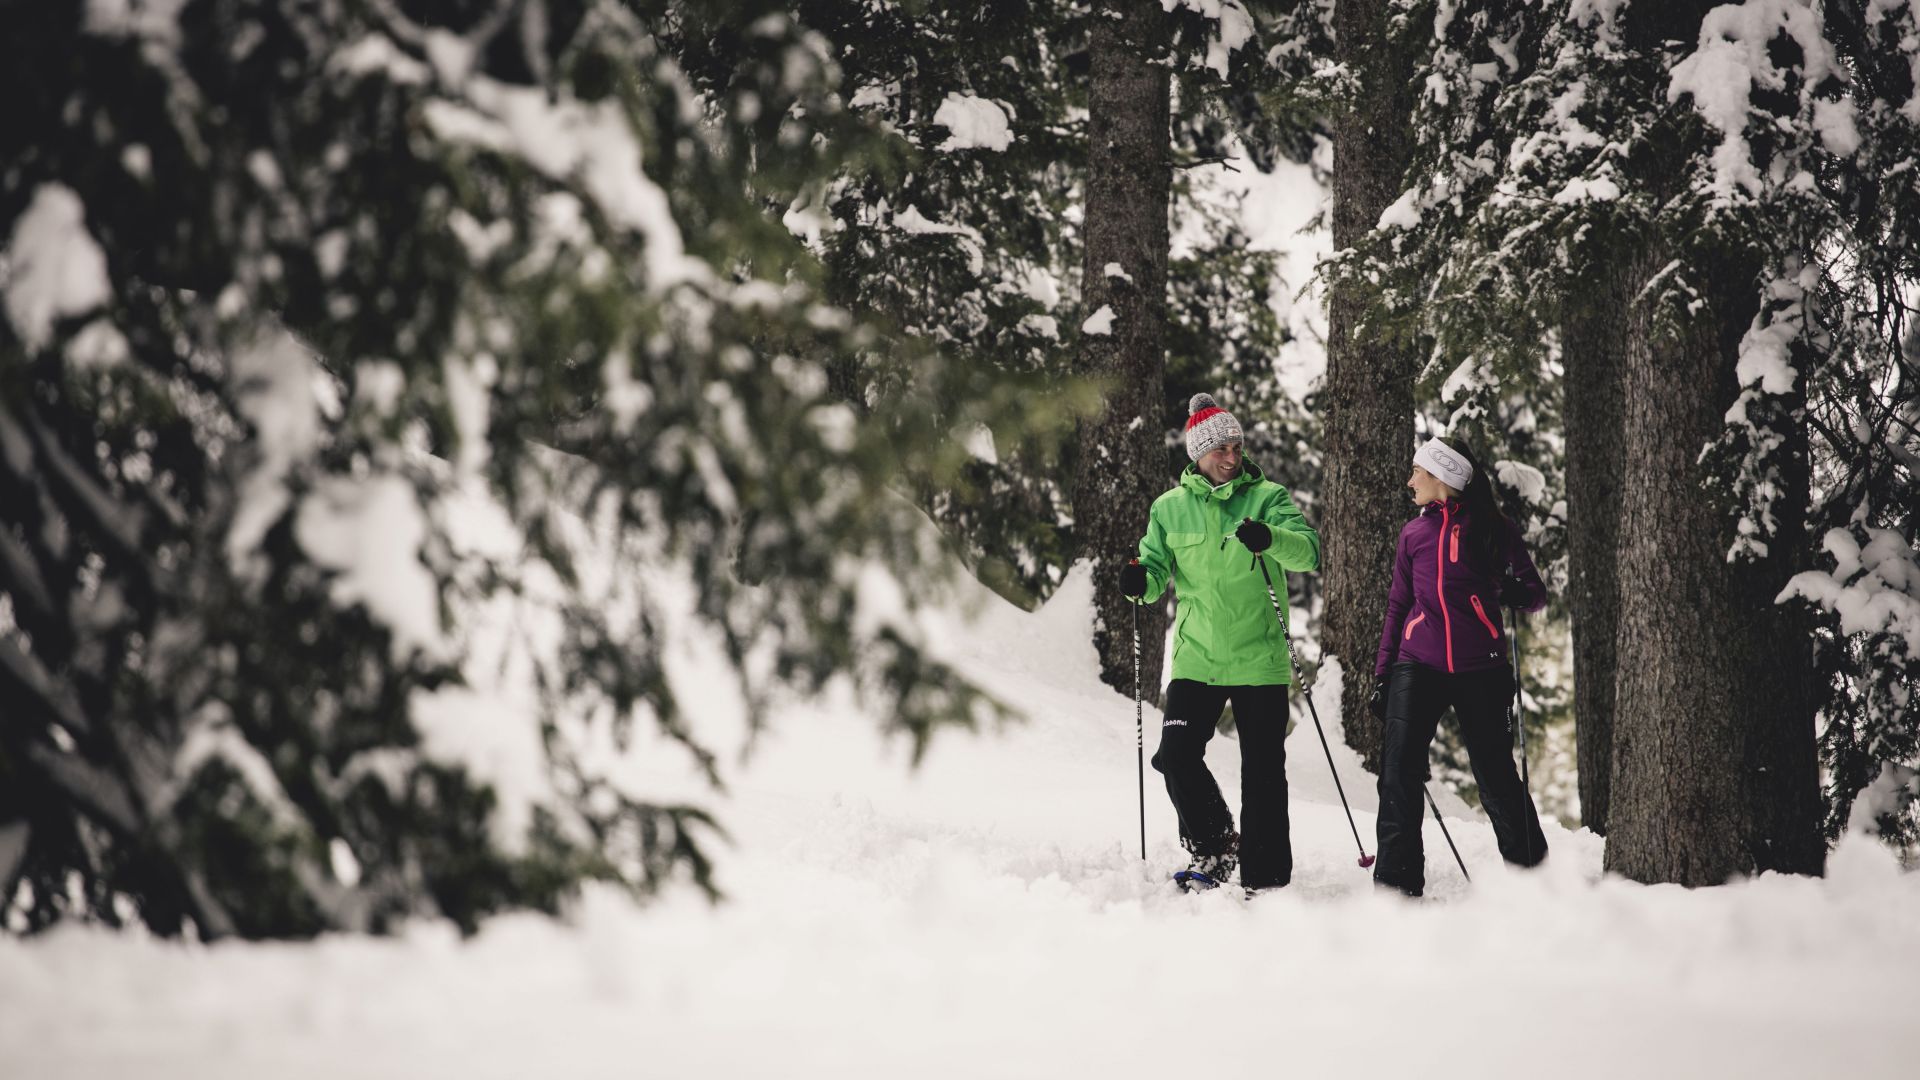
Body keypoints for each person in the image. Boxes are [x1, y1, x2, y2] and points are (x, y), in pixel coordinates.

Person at [1119, 393, 1321, 892]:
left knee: (1263, 774)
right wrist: (1139, 581)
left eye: (1236, 446)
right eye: (1220, 449)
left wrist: (1270, 538)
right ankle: (1216, 845)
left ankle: (1266, 880)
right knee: (1176, 756)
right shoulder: (1169, 508)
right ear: (1197, 454)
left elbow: (1308, 553)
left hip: (1259, 656)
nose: (1232, 457)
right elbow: (1153, 570)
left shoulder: (1268, 498)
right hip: (1198, 657)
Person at [1369, 435, 1549, 897]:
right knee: (1398, 773)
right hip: (1417, 664)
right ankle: (1395, 890)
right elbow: (1398, 606)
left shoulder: (1494, 528)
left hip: (1481, 669)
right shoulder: (1413, 534)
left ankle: (1535, 881)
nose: (1410, 481)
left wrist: (1515, 592)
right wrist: (1384, 675)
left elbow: (1534, 593)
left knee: (1496, 777)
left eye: (1417, 472)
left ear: (1442, 476)